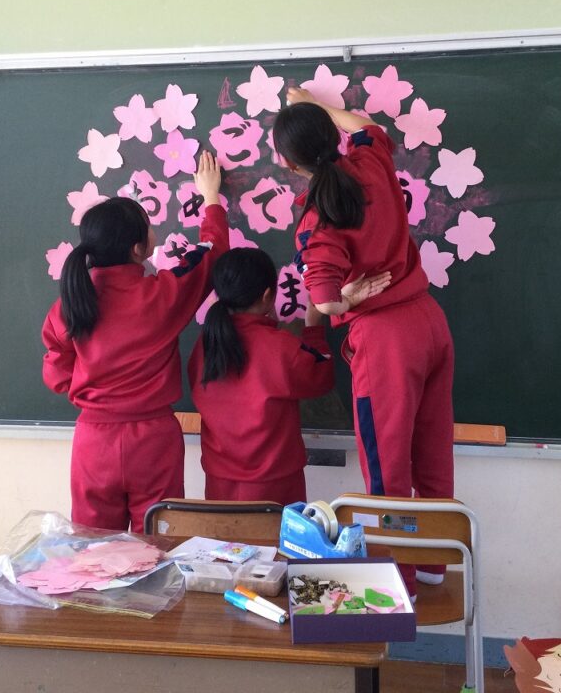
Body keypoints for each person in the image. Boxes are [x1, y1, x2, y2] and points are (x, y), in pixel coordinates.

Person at [273, 88, 455, 591]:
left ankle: (401, 579)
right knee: (433, 451)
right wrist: (316, 105)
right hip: (429, 321)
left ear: (288, 165)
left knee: (387, 469)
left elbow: (326, 299)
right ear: (333, 137)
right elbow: (367, 125)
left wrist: (348, 298)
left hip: (385, 340)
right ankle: (434, 564)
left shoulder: (317, 218)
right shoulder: (370, 160)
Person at [41, 151, 227, 531]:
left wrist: (94, 390)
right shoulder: (162, 295)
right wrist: (211, 197)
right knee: (157, 546)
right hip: (154, 441)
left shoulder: (69, 305)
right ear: (138, 249)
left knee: (94, 548)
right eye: (149, 226)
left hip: (94, 442)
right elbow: (213, 256)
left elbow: (57, 375)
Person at [189, 248, 389, 506]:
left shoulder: (204, 346)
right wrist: (314, 326)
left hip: (219, 481)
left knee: (228, 534)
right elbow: (321, 377)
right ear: (267, 296)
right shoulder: (280, 347)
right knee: (280, 535)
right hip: (275, 483)